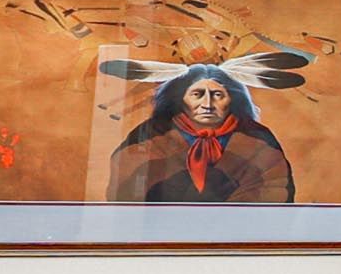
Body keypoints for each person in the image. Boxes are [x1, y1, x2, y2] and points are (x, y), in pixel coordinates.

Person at [104, 65, 296, 204]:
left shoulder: (257, 139)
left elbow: (274, 190)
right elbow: (127, 191)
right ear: (180, 99)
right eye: (196, 94)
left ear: (233, 99)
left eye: (218, 95)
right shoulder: (152, 135)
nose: (207, 104)